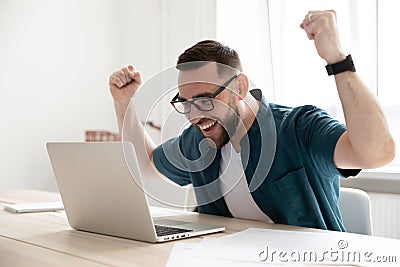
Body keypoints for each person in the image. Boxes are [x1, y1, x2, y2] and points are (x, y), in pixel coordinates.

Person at [108, 10, 395, 231]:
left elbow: (377, 152)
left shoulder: (298, 127)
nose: (195, 116)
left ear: (240, 87)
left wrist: (337, 59)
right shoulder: (200, 140)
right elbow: (145, 165)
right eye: (186, 103)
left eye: (206, 100)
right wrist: (125, 104)